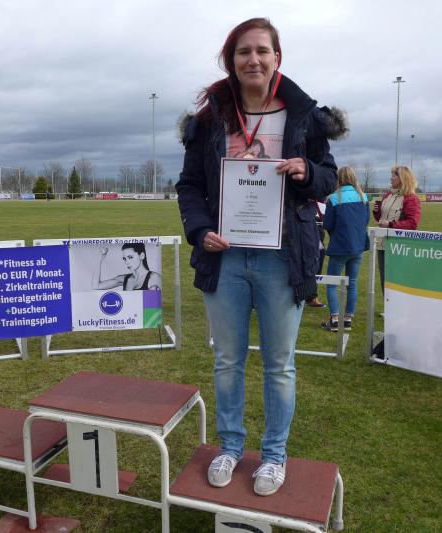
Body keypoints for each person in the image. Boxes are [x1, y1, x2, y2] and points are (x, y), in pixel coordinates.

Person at [175, 17, 346, 496]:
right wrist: (200, 230)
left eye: (261, 51)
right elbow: (189, 186)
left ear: (277, 58)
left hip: (282, 258)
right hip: (225, 258)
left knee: (279, 364)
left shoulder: (305, 116)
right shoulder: (210, 120)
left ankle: (273, 456)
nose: (253, 59)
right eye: (243, 51)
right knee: (227, 361)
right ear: (231, 61)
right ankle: (230, 446)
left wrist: (306, 171)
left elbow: (329, 178)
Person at [321, 167, 369, 332]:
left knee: (332, 284)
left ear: (338, 179)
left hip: (340, 247)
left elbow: (328, 224)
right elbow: (366, 220)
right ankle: (348, 319)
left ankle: (335, 319)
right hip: (358, 246)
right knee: (352, 283)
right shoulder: (363, 197)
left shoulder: (334, 199)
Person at [372, 165, 421, 290]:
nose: (391, 178)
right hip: (382, 245)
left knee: (397, 282)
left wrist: (391, 224)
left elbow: (412, 223)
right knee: (384, 281)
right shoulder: (387, 196)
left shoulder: (411, 198)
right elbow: (381, 219)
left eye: (394, 175)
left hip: (398, 247)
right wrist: (377, 212)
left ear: (402, 178)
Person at [92, 242, 162, 291]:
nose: (127, 262)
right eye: (124, 259)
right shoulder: (124, 279)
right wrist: (100, 258)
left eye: (130, 257)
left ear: (142, 255)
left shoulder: (154, 277)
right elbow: (96, 286)